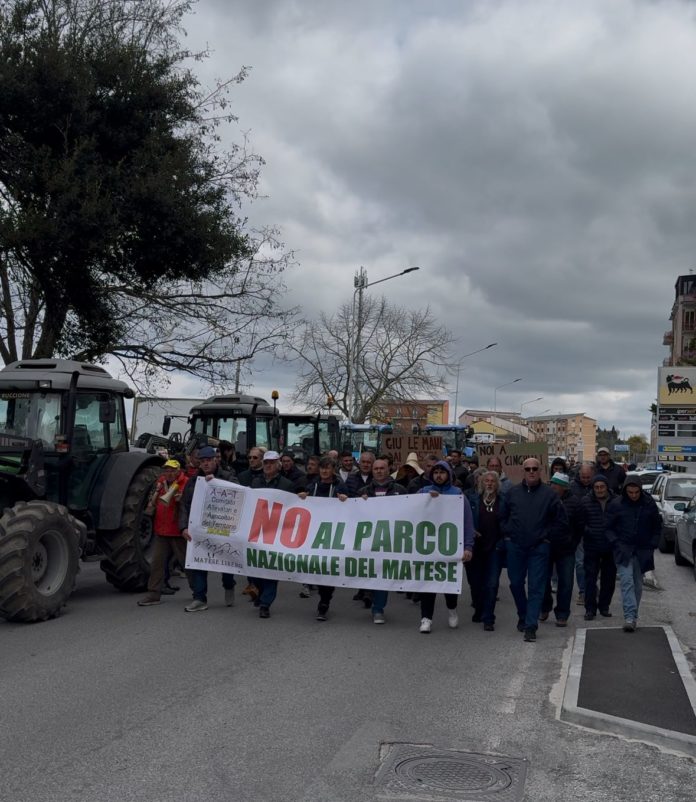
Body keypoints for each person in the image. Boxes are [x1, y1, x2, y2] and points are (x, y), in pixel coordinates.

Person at [501, 457, 567, 642]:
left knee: (536, 587)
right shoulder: (513, 493)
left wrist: (546, 537)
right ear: (523, 471)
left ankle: (531, 625)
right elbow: (502, 516)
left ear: (540, 471)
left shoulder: (550, 494)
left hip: (539, 548)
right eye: (528, 469)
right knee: (515, 583)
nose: (531, 471)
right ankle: (523, 615)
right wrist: (509, 534)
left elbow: (560, 521)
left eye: (534, 469)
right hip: (516, 546)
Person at [417, 461, 474, 633]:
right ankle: (426, 618)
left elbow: (467, 523)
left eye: (442, 472)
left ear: (449, 474)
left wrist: (468, 547)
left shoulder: (458, 495)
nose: (439, 475)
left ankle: (452, 609)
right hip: (428, 546)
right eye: (436, 472)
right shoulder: (423, 492)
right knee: (428, 584)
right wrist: (426, 500)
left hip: (450, 546)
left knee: (448, 582)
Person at [179, 446, 237, 612]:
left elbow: (239, 492)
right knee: (198, 564)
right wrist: (183, 527)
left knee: (226, 564)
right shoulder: (193, 481)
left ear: (215, 460)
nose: (205, 464)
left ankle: (228, 585)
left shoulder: (226, 476)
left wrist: (218, 483)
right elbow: (184, 505)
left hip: (223, 530)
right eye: (202, 461)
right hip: (200, 531)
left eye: (208, 461)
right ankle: (199, 598)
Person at [605, 474, 661, 632]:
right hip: (623, 549)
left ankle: (633, 617)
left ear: (640, 490)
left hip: (642, 550)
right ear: (625, 491)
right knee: (626, 581)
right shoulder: (617, 504)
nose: (634, 495)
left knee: (637, 584)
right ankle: (629, 616)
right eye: (630, 492)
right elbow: (608, 527)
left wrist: (652, 544)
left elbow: (657, 526)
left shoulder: (649, 504)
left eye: (636, 492)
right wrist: (615, 543)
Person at [298, 457, 349, 621]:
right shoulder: (313, 484)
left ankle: (324, 601)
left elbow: (351, 504)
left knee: (327, 566)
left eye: (328, 468)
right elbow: (301, 501)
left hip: (332, 532)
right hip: (313, 532)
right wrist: (303, 496)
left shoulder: (339, 486)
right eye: (322, 468)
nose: (324, 471)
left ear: (333, 469)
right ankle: (319, 590)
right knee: (316, 565)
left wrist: (344, 499)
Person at [249, 451, 296, 618]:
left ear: (278, 465)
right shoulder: (255, 482)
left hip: (276, 532)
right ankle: (260, 592)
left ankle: (265, 603)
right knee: (254, 568)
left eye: (272, 462)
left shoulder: (287, 485)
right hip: (257, 530)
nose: (268, 465)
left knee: (270, 568)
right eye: (266, 462)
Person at [361, 458, 407, 623]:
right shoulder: (363, 492)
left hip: (390, 540)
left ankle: (378, 608)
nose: (379, 471)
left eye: (382, 468)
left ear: (389, 470)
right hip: (368, 540)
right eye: (376, 469)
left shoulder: (401, 491)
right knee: (369, 572)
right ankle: (368, 594)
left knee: (383, 574)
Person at [137, 460, 189, 606]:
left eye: (172, 470)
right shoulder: (161, 482)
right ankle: (153, 594)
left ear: (178, 471)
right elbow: (152, 504)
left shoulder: (185, 482)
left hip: (177, 531)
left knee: (186, 563)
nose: (169, 473)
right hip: (161, 530)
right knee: (157, 564)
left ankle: (198, 591)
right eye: (166, 470)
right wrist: (154, 495)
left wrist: (181, 499)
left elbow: (190, 502)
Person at [465, 470, 507, 631]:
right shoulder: (473, 500)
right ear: (481, 483)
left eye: (492, 481)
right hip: (475, 548)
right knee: (475, 583)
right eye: (486, 481)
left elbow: (509, 523)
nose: (489, 483)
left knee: (491, 584)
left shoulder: (503, 502)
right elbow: (464, 518)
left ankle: (489, 617)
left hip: (494, 548)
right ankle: (479, 608)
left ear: (497, 484)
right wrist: (471, 531)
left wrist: (502, 542)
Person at [539, 473, 582, 627]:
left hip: (566, 550)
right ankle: (544, 607)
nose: (552, 487)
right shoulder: (545, 500)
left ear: (563, 487)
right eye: (551, 484)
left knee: (566, 582)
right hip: (546, 546)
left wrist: (573, 543)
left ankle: (562, 614)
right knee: (542, 580)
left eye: (555, 484)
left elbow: (579, 526)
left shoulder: (575, 503)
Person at [578, 476, 616, 621]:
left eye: (602, 487)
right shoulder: (586, 502)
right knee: (590, 579)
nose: (599, 490)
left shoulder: (615, 501)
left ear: (607, 487)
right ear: (593, 488)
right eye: (596, 487)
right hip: (591, 546)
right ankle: (590, 609)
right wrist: (589, 531)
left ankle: (604, 607)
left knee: (609, 580)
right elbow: (580, 522)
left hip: (610, 546)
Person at [569, 462, 594, 605]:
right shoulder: (572, 487)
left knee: (594, 563)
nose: (585, 480)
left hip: (595, 531)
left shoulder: (598, 485)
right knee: (579, 563)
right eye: (583, 477)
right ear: (579, 475)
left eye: (588, 477)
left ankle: (591, 587)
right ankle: (583, 591)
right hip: (578, 530)